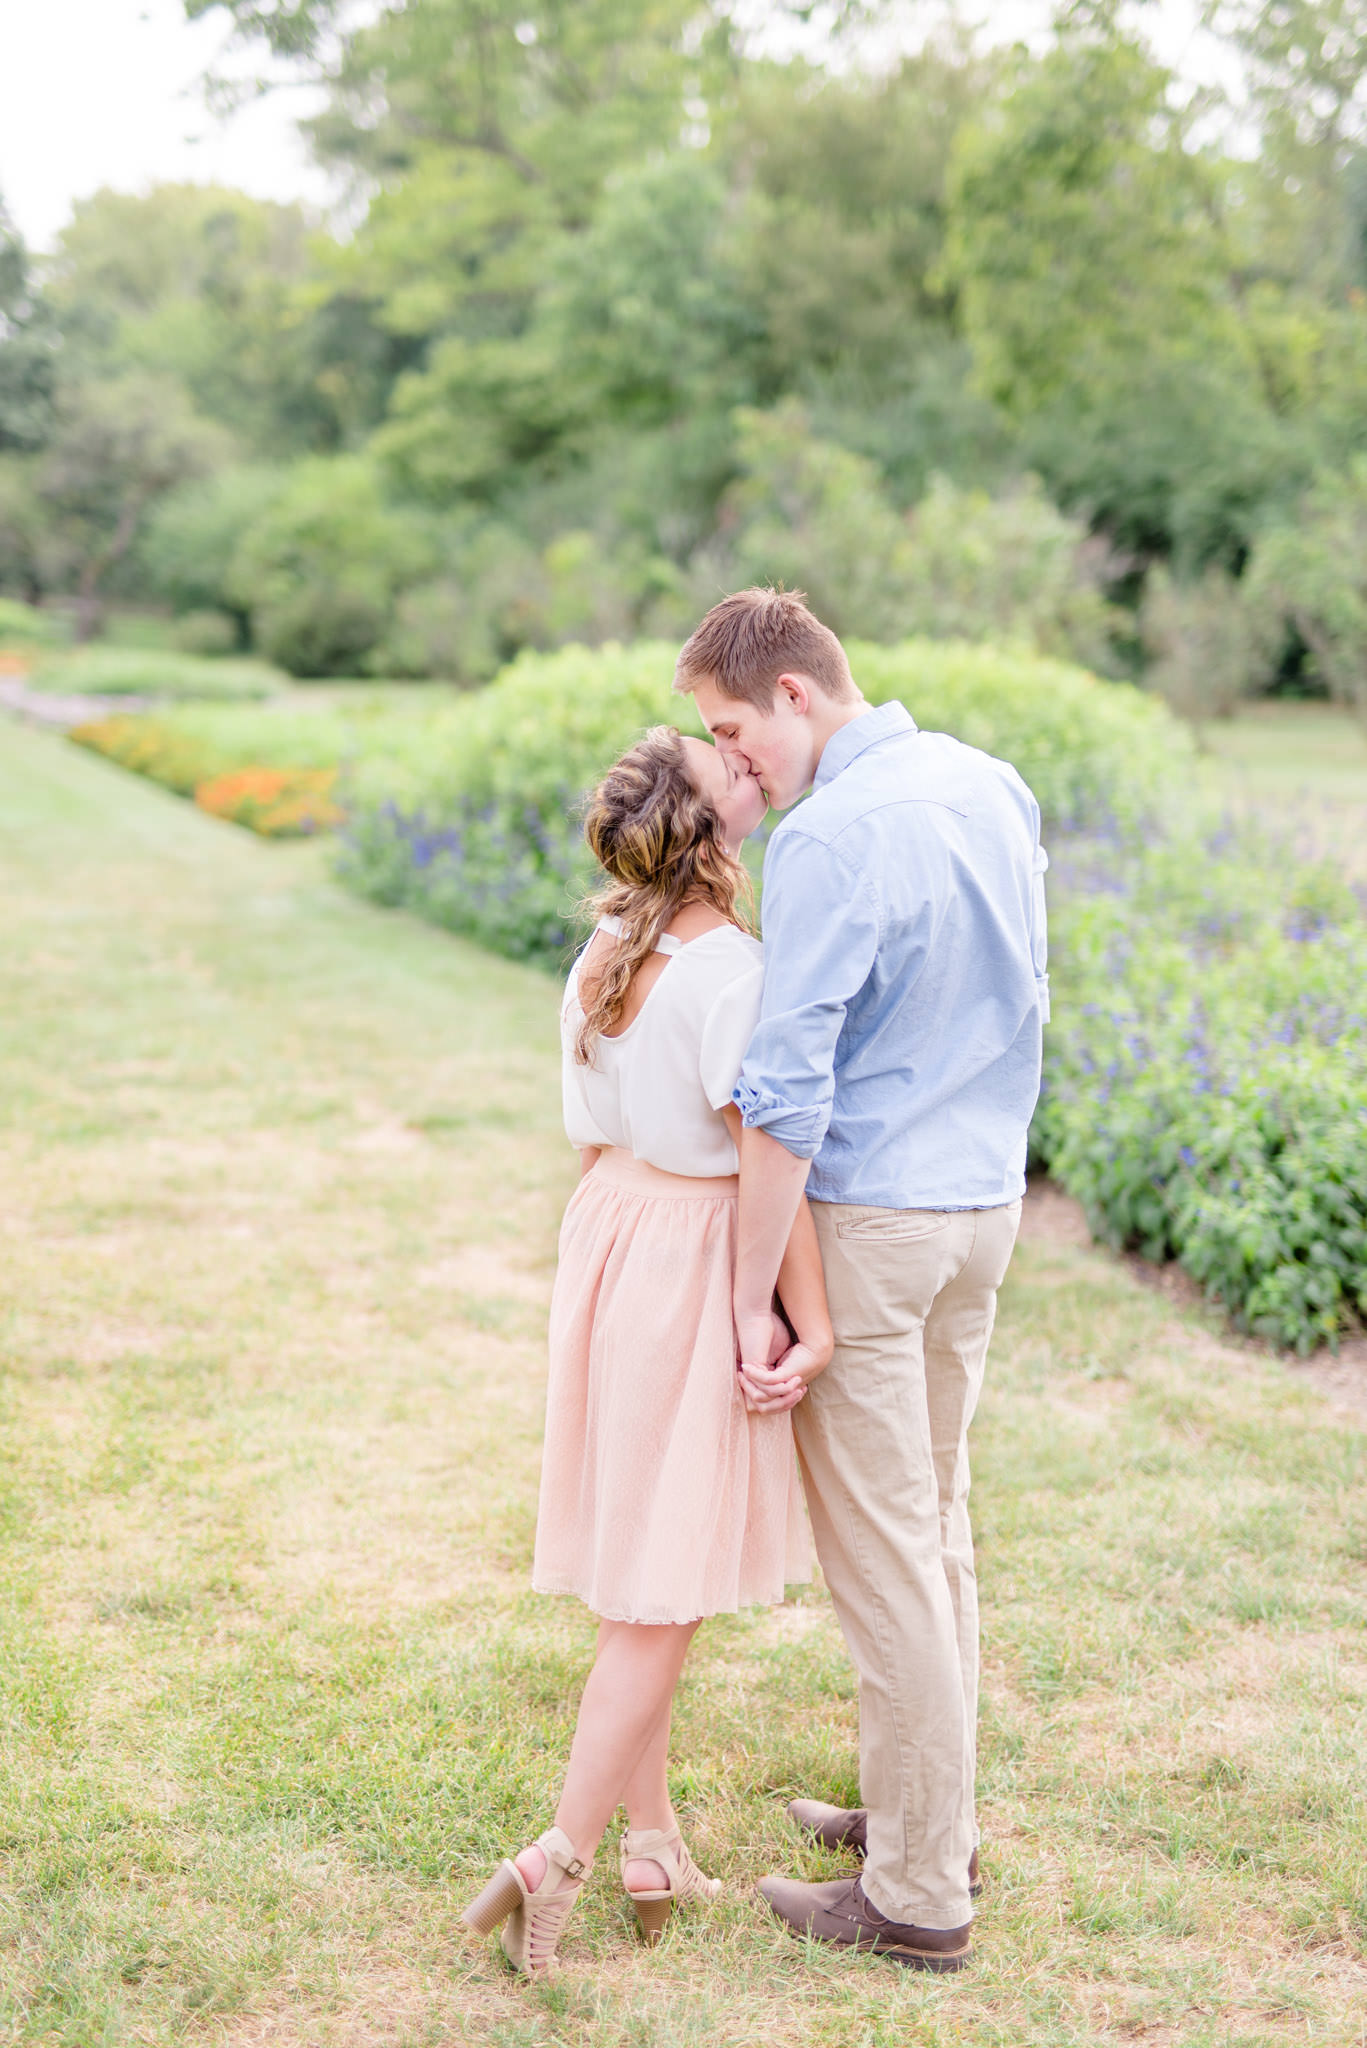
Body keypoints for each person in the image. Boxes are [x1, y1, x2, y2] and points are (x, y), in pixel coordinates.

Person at [675, 588, 1049, 1974]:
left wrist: (744, 1288)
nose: (731, 764)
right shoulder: (985, 780)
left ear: (792, 691)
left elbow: (782, 1087)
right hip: (980, 1209)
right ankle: (918, 1819)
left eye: (729, 727)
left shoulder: (827, 834)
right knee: (933, 1526)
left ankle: (913, 1900)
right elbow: (1025, 1001)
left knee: (887, 1556)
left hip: (877, 1226)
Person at [462, 724, 831, 1977]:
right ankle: (560, 1850)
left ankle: (652, 1838)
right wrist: (782, 1308)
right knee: (661, 1588)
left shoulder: (601, 949)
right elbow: (763, 1152)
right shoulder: (729, 967)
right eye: (722, 760)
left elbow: (588, 1139)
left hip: (609, 1234)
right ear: (712, 823)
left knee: (644, 1562)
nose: (747, 760)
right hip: (684, 1243)